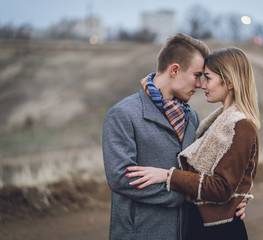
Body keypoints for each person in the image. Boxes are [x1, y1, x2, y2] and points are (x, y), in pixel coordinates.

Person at [102, 34, 247, 240]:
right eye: (197, 75)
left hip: (187, 233)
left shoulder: (191, 117)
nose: (199, 84)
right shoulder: (123, 114)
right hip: (141, 234)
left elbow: (210, 171)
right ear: (175, 70)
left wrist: (236, 197)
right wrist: (183, 194)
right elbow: (120, 178)